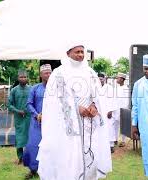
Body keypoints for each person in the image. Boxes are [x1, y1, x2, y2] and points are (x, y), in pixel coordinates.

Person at [37, 43, 112, 180]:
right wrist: (77, 109)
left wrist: (95, 106)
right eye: (77, 52)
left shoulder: (90, 72)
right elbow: (56, 101)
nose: (81, 55)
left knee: (90, 155)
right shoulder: (58, 73)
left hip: (90, 121)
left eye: (82, 52)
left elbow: (97, 94)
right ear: (68, 53)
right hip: (69, 126)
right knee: (71, 158)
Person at [23, 64, 52, 179]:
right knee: (33, 145)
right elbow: (29, 104)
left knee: (50, 146)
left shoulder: (56, 89)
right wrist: (36, 115)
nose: (49, 75)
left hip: (52, 124)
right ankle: (33, 170)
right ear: (41, 75)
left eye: (50, 73)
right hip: (37, 123)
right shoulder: (35, 88)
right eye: (46, 73)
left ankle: (49, 170)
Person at [8, 70, 31, 165]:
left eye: (25, 77)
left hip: (29, 117)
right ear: (18, 78)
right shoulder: (14, 90)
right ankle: (20, 157)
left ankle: (29, 157)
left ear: (27, 78)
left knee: (30, 137)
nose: (23, 79)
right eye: (21, 77)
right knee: (19, 137)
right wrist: (18, 111)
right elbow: (9, 105)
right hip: (19, 118)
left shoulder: (31, 89)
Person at [98, 73, 118, 153]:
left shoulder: (109, 88)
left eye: (101, 79)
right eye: (98, 79)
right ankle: (102, 146)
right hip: (99, 112)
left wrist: (111, 110)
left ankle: (111, 146)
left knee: (110, 128)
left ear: (104, 79)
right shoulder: (96, 88)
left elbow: (113, 99)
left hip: (108, 112)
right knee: (101, 128)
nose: (100, 81)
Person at [113, 72, 130, 147]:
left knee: (123, 126)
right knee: (115, 125)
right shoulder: (116, 88)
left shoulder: (126, 89)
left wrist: (123, 110)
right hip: (115, 109)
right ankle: (115, 139)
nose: (117, 79)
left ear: (122, 79)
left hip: (122, 109)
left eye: (118, 78)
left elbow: (126, 101)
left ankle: (123, 141)